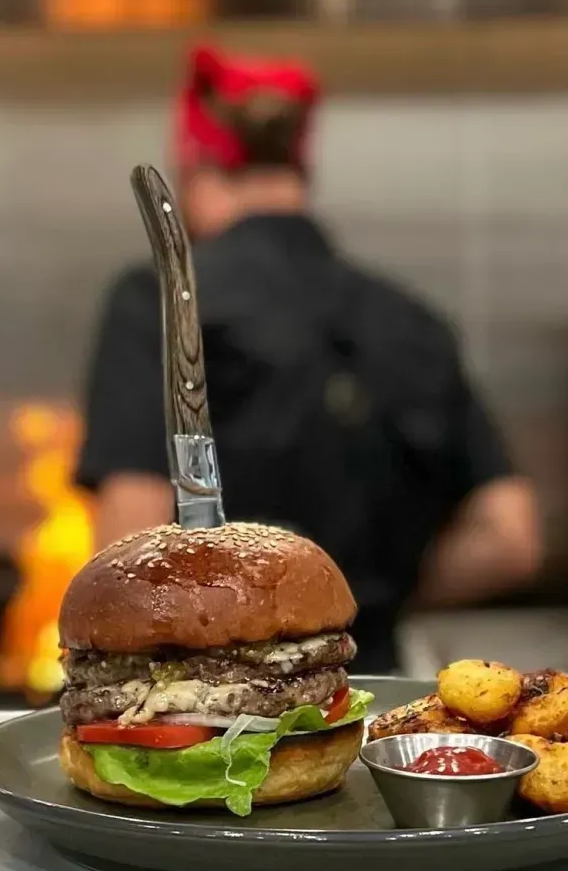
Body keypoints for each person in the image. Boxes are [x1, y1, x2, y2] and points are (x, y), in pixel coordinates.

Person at [76, 44, 541, 673]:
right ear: (300, 169)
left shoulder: (160, 302)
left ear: (196, 172)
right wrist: (346, 606)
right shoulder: (411, 318)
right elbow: (511, 540)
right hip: (370, 691)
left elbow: (129, 534)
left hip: (214, 703)